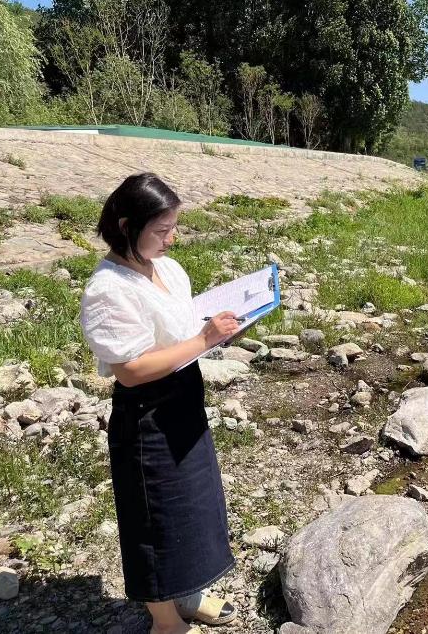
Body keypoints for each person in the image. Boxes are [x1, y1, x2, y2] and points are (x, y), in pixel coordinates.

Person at [80, 173, 242, 634]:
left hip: (184, 399)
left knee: (194, 506)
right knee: (153, 517)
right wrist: (202, 339)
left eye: (174, 227)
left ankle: (188, 594)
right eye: (162, 230)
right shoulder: (108, 290)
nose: (172, 239)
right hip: (146, 412)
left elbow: (186, 329)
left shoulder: (167, 269)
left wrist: (220, 330)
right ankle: (166, 621)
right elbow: (131, 369)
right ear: (126, 225)